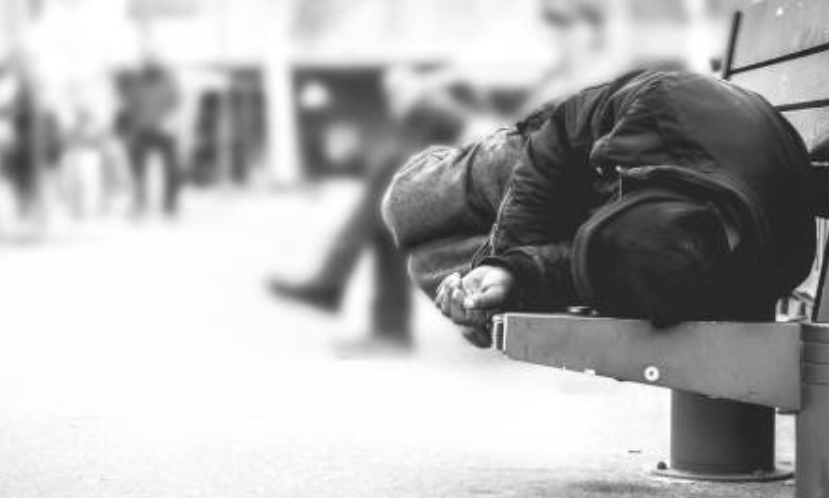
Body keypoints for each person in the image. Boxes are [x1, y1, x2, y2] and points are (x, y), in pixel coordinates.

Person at [382, 69, 817, 347]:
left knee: (430, 264)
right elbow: (562, 130)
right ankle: (444, 143)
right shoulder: (664, 105)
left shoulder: (773, 263)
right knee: (404, 204)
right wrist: (511, 253)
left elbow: (591, 266)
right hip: (571, 159)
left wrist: (511, 279)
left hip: (621, 212)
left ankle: (481, 286)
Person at [269, 68, 469, 353]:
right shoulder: (424, 127)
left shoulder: (456, 98)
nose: (395, 98)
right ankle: (385, 327)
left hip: (487, 192)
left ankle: (335, 285)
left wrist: (422, 91)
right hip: (461, 184)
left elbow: (462, 123)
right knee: (387, 210)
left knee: (390, 186)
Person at [116, 61, 181, 217]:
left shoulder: (166, 83)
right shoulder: (137, 85)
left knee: (172, 167)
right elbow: (129, 106)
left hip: (163, 131)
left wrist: (168, 119)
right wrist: (129, 129)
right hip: (142, 131)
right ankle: (139, 201)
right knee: (137, 168)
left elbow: (175, 102)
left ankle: (169, 203)